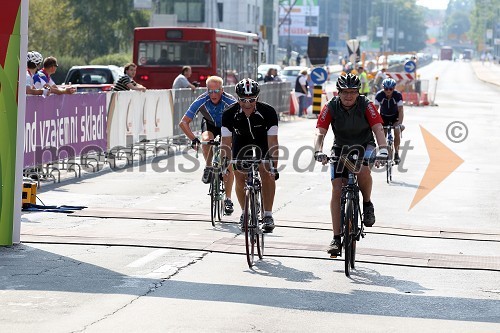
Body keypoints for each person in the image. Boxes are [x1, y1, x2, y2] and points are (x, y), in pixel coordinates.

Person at [313, 73, 388, 257]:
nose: (348, 96)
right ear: (338, 93)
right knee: (337, 189)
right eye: (344, 92)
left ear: (358, 92)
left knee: (362, 170)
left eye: (353, 92)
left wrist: (384, 149)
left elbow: (378, 128)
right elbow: (320, 132)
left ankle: (367, 203)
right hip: (341, 148)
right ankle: (336, 238)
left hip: (365, 145)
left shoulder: (367, 105)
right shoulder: (331, 106)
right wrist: (318, 150)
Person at [221, 78, 279, 233]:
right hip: (241, 143)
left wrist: (274, 166)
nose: (247, 104)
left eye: (251, 100)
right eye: (243, 100)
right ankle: (244, 211)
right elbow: (225, 143)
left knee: (266, 172)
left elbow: (273, 142)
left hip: (262, 142)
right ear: (237, 98)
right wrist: (225, 165)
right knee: (239, 176)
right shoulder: (228, 114)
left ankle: (267, 214)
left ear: (257, 98)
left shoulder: (268, 112)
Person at [179, 76, 237, 215]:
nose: (213, 94)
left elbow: (242, 120)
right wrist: (193, 139)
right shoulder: (202, 100)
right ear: (206, 90)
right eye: (210, 91)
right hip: (210, 125)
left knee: (228, 162)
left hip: (227, 127)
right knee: (205, 139)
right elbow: (183, 122)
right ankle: (209, 166)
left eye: (217, 91)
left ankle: (228, 199)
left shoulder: (230, 101)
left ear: (222, 90)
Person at [373, 78, 404, 164]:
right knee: (382, 134)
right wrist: (376, 123)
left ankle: (396, 153)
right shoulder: (379, 95)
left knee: (397, 131)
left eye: (391, 89)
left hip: (395, 117)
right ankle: (383, 153)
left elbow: (401, 110)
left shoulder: (397, 95)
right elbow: (375, 110)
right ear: (383, 88)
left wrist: (400, 123)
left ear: (394, 88)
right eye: (386, 89)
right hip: (383, 117)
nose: (388, 91)